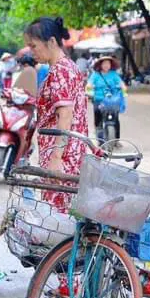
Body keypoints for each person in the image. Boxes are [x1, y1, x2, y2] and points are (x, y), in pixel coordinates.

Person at [23, 16, 89, 213]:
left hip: (64, 157)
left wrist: (56, 157)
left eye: (33, 46)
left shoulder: (60, 72)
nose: (31, 51)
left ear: (51, 42)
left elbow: (66, 116)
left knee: (57, 218)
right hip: (70, 152)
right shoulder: (65, 68)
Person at [86, 56, 128, 140]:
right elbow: (89, 85)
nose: (106, 65)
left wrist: (124, 92)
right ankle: (99, 137)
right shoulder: (95, 75)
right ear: (100, 65)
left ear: (110, 65)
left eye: (108, 63)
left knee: (115, 119)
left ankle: (116, 139)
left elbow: (122, 84)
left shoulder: (114, 74)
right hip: (98, 99)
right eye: (104, 63)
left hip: (112, 100)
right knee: (98, 118)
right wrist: (89, 92)